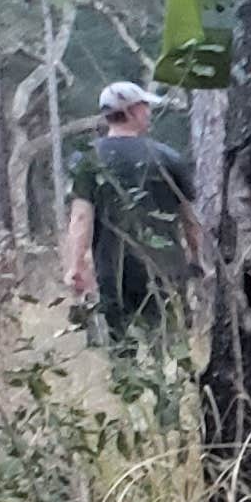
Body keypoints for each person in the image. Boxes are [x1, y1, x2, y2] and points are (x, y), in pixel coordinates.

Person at [62, 80, 202, 355]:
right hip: (165, 271)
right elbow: (189, 219)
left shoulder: (88, 160)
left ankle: (127, 392)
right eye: (145, 107)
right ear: (135, 111)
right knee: (169, 351)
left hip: (113, 272)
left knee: (120, 352)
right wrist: (196, 259)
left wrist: (75, 266)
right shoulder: (167, 157)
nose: (148, 112)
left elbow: (81, 218)